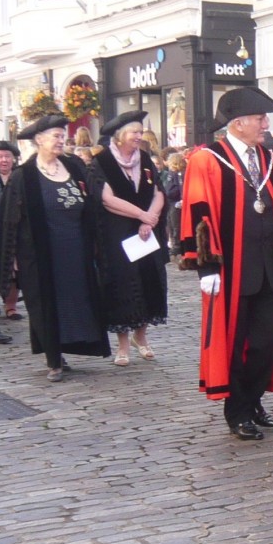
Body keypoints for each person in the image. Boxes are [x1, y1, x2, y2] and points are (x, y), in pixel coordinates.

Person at [180, 87, 273, 441]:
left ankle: (253, 398)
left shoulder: (268, 160)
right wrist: (206, 266)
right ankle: (238, 411)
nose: (266, 124)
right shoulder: (208, 159)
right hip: (230, 270)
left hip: (268, 267)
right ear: (238, 122)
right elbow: (199, 213)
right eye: (261, 118)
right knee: (233, 344)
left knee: (266, 343)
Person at [0, 115, 110, 380]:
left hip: (76, 249)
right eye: (56, 136)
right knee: (45, 303)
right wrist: (12, 255)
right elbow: (10, 219)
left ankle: (69, 345)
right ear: (39, 140)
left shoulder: (74, 166)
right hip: (39, 253)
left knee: (75, 300)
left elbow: (93, 200)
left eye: (63, 136)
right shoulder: (23, 176)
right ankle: (53, 359)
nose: (62, 140)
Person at [91, 110, 168, 367]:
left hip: (146, 233)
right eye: (134, 132)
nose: (139, 136)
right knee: (122, 285)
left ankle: (141, 338)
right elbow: (107, 199)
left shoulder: (144, 158)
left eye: (140, 131)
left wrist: (151, 218)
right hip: (117, 233)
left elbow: (158, 192)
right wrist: (142, 216)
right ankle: (123, 344)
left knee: (148, 282)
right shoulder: (102, 161)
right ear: (121, 135)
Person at [0, 140, 22, 325]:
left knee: (14, 270)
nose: (4, 160)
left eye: (7, 156)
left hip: (15, 229)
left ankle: (11, 306)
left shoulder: (19, 177)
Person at [162, 152, 185, 258]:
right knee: (171, 224)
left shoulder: (178, 173)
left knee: (176, 225)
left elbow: (179, 188)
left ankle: (177, 246)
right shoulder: (172, 172)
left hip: (175, 202)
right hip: (170, 201)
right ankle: (174, 244)